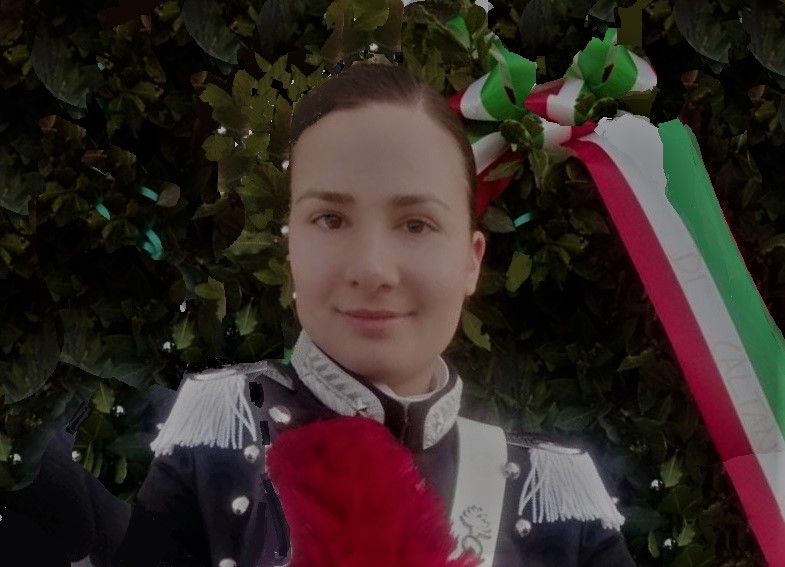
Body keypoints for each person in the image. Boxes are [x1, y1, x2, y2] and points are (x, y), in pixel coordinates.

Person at [0, 59, 636, 567]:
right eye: (330, 219)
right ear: (292, 246)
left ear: (471, 261)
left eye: (416, 224)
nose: (372, 269)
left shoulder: (554, 501)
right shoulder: (219, 442)